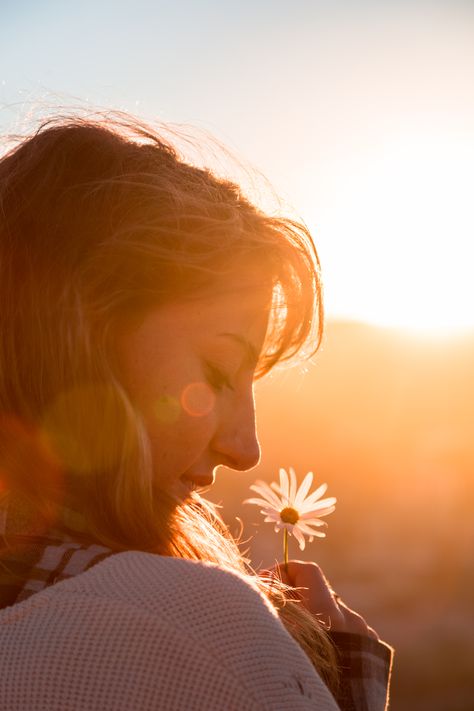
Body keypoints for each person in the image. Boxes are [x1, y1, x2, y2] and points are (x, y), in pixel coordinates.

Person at [0, 111, 393, 710]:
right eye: (216, 372)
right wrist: (338, 683)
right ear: (80, 339)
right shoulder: (200, 627)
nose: (247, 448)